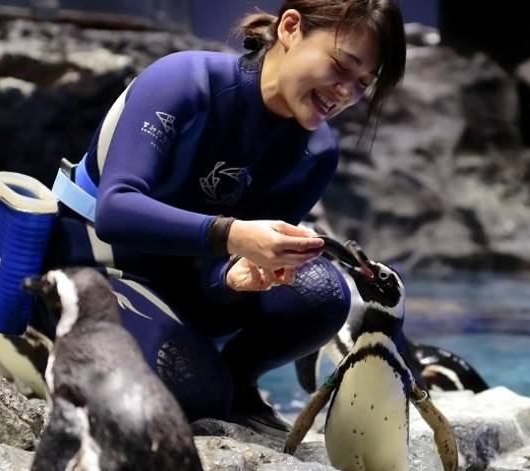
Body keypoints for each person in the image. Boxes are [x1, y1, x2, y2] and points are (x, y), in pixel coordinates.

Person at [35, 0, 406, 437]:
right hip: (99, 266)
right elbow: (117, 209)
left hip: (181, 285)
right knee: (195, 392)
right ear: (290, 28)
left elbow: (221, 270)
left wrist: (237, 275)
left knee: (322, 292)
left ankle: (236, 383)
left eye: (364, 83)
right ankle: (46, 338)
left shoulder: (316, 153)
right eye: (341, 66)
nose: (346, 92)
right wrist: (230, 235)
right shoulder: (186, 82)